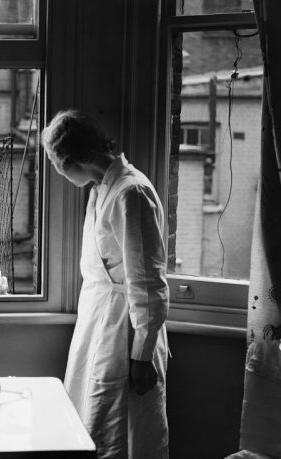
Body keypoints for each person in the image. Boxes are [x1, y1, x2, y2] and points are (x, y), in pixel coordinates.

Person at [42, 109, 169, 458]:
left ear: (69, 160)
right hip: (99, 320)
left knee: (124, 425)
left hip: (125, 327)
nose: (56, 171)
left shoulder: (131, 194)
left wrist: (141, 355)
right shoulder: (102, 190)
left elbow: (148, 282)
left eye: (54, 162)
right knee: (93, 419)